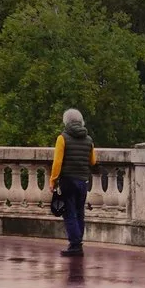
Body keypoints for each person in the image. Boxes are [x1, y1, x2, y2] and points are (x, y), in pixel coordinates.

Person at [50, 108, 94, 258]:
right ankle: (78, 241)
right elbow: (93, 160)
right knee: (80, 213)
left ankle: (75, 244)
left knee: (69, 213)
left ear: (66, 121)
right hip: (83, 181)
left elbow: (57, 162)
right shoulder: (89, 140)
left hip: (68, 180)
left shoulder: (62, 138)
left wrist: (53, 181)